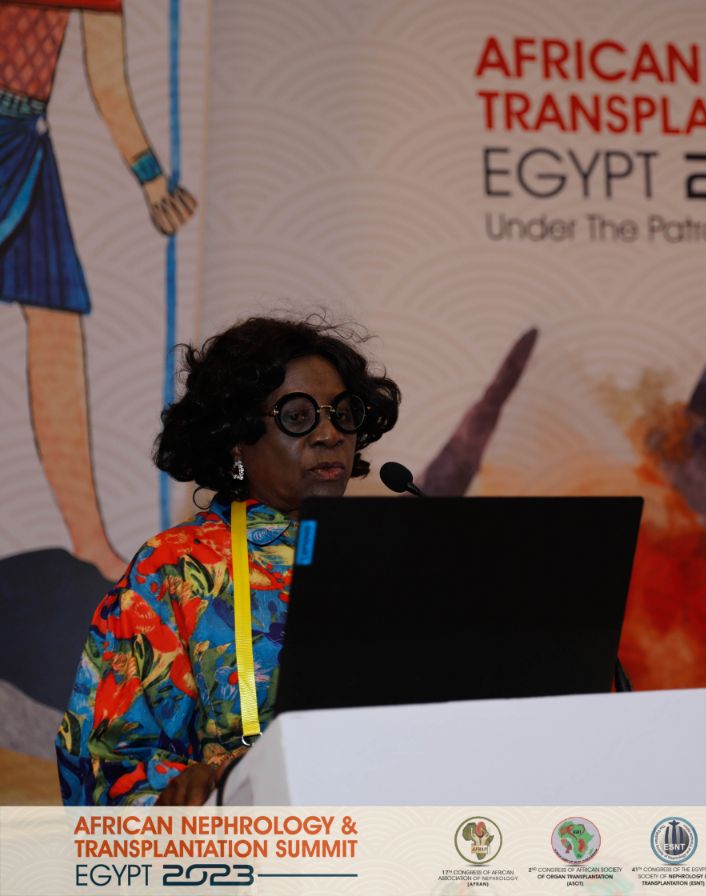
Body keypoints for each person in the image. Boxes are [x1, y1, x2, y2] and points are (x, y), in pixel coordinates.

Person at [55, 315, 400, 805]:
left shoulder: (389, 558)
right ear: (237, 438)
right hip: (253, 839)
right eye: (297, 416)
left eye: (342, 414)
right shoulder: (176, 567)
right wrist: (188, 789)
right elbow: (106, 762)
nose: (329, 434)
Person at [2, 1, 197, 581]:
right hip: (22, 137)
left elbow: (107, 79)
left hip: (23, 142)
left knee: (57, 323)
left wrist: (154, 183)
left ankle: (88, 539)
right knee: (55, 325)